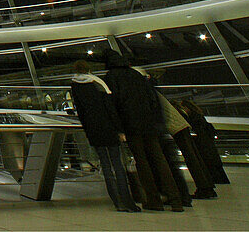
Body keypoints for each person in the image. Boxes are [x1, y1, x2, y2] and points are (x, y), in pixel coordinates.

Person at [103, 53, 184, 212]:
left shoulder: (111, 77)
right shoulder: (136, 75)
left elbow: (113, 105)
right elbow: (153, 99)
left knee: (142, 162)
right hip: (149, 124)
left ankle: (153, 200)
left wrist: (119, 128)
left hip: (131, 126)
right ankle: (176, 200)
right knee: (159, 160)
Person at [69, 60, 140, 212]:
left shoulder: (75, 85)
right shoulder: (99, 83)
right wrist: (119, 130)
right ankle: (127, 201)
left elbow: (81, 111)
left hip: (94, 131)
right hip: (109, 128)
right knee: (118, 165)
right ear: (89, 69)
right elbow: (110, 108)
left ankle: (117, 202)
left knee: (106, 167)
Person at [158, 93, 217, 199]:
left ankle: (203, 188)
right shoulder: (160, 97)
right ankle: (208, 187)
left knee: (191, 159)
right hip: (182, 126)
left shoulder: (152, 96)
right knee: (195, 157)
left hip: (175, 128)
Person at [179, 98, 230, 184]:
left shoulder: (193, 118)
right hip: (207, 142)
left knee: (208, 161)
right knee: (213, 161)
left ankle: (215, 179)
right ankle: (220, 179)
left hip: (203, 142)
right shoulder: (199, 115)